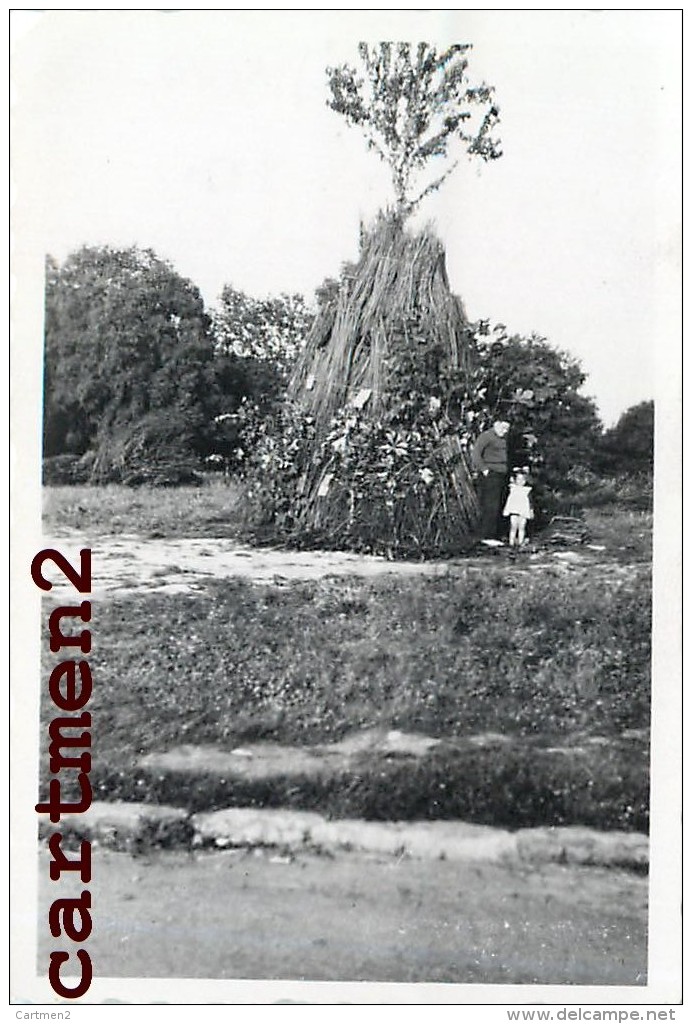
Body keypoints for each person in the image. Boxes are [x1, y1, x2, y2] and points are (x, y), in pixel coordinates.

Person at [471, 419, 510, 544]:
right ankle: (487, 536)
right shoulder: (486, 436)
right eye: (503, 428)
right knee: (490, 505)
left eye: (507, 429)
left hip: (501, 474)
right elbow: (476, 454)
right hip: (491, 474)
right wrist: (484, 470)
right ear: (496, 425)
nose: (505, 431)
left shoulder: (503, 438)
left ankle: (496, 534)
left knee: (499, 504)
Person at [503, 466, 534, 546]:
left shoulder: (527, 490)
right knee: (513, 527)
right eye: (518, 479)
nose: (520, 481)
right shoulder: (512, 489)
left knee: (522, 527)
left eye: (522, 479)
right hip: (514, 510)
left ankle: (520, 541)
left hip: (523, 510)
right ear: (515, 480)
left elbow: (530, 501)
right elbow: (509, 500)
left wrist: (531, 510)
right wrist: (506, 510)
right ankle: (511, 542)